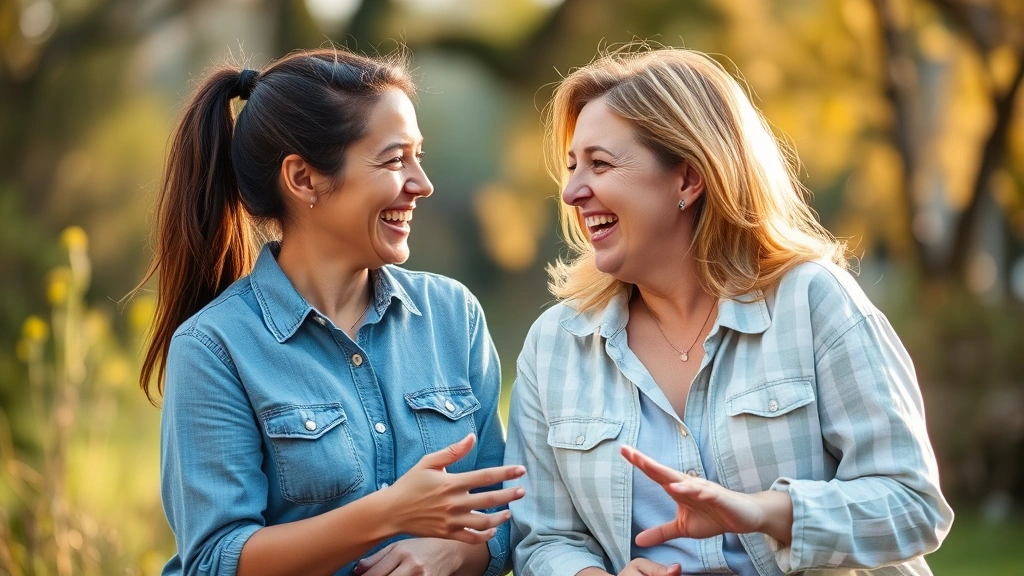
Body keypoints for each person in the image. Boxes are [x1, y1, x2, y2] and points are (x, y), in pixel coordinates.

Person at [504, 46, 953, 576]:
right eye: (573, 166)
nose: (574, 191)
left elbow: (912, 502)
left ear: (688, 180)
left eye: (600, 164)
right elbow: (543, 537)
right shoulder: (556, 344)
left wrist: (765, 512)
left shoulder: (812, 302)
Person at [136, 48, 524, 576]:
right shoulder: (214, 348)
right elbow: (214, 560)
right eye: (393, 160)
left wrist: (452, 552)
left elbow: (502, 510)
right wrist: (387, 514)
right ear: (303, 179)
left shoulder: (453, 316)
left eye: (419, 156)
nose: (421, 184)